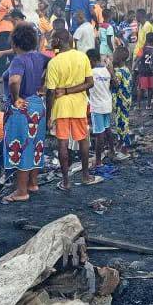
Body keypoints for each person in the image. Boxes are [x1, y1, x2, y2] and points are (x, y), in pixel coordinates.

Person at [0, 23, 50, 203]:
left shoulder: (18, 60)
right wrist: (43, 83)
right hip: (38, 105)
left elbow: (14, 81)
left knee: (21, 147)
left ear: (14, 43)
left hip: (23, 109)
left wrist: (16, 98)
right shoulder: (40, 57)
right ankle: (32, 183)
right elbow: (52, 62)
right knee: (36, 144)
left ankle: (21, 191)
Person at [46, 28, 101, 191]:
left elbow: (50, 92)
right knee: (83, 140)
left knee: (62, 143)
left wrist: (48, 116)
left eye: (52, 39)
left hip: (61, 108)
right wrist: (71, 91)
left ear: (58, 41)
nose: (51, 42)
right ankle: (85, 176)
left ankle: (66, 182)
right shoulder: (82, 56)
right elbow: (89, 83)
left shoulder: (54, 62)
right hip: (79, 106)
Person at [88, 49, 114, 168]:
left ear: (91, 60)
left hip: (97, 106)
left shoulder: (91, 72)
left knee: (99, 133)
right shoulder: (106, 71)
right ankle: (112, 151)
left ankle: (98, 161)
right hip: (107, 104)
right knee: (107, 128)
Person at [110, 47, 134, 159]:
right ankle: (120, 144)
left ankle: (125, 149)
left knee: (122, 124)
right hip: (126, 100)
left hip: (121, 101)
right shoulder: (126, 69)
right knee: (122, 122)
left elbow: (115, 83)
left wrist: (110, 71)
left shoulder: (119, 72)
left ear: (118, 58)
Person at [135, 33, 153, 110]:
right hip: (151, 72)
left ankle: (138, 106)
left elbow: (137, 59)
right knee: (150, 89)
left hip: (142, 71)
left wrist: (134, 68)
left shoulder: (142, 49)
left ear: (146, 40)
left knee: (141, 88)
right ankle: (148, 105)